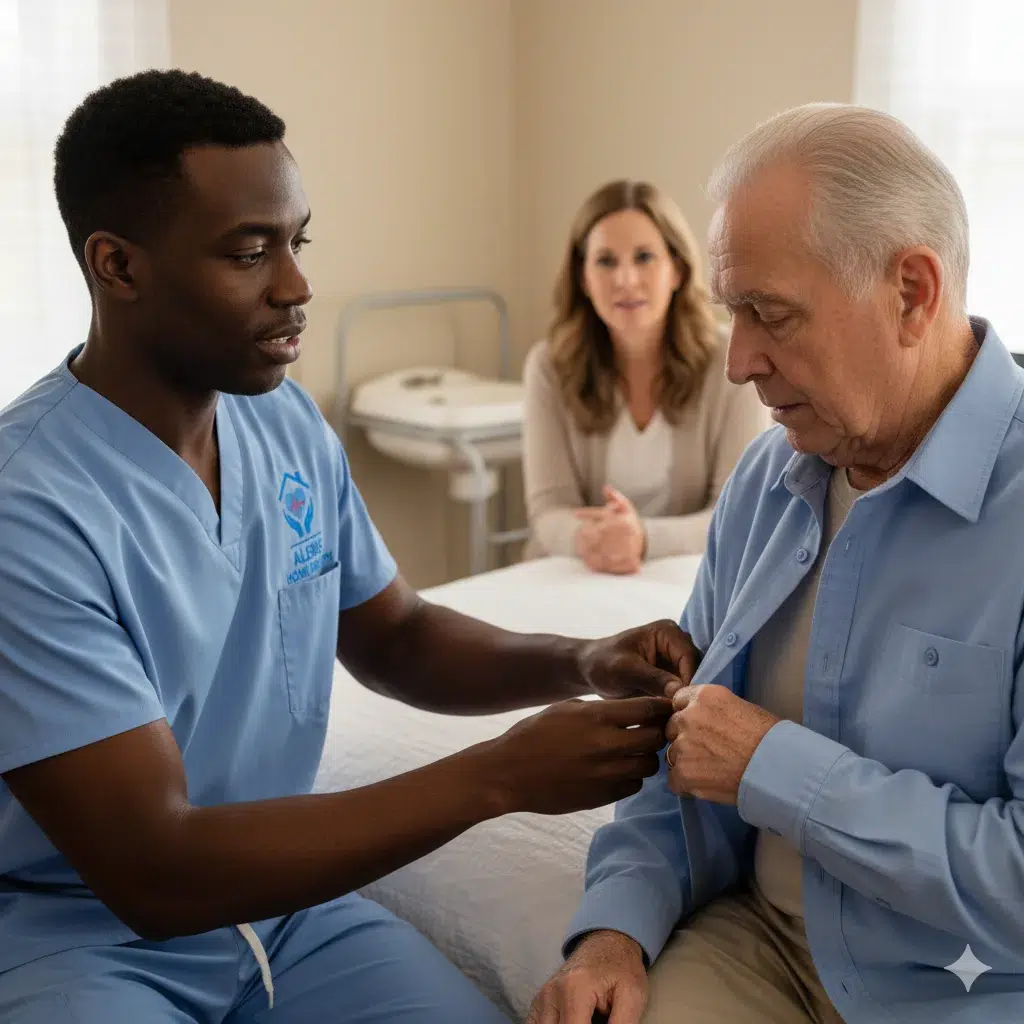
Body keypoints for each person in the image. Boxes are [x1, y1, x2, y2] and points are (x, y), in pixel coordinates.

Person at [0, 70, 696, 1023]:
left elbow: (398, 637)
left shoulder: (283, 423)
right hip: (80, 942)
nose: (297, 286)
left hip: (283, 919)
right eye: (250, 252)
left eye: (297, 240)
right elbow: (152, 871)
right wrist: (497, 775)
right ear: (118, 266)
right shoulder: (27, 508)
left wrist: (580, 660)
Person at [529, 104, 1024, 1024]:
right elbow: (684, 754)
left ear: (912, 292)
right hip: (761, 948)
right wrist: (615, 932)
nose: (738, 363)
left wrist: (775, 766)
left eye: (772, 315)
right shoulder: (768, 479)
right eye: (731, 312)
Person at [522, 179, 767, 575]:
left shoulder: (732, 363)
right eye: (605, 261)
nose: (625, 279)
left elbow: (738, 513)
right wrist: (589, 539)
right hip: (575, 572)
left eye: (644, 257)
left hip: (688, 576)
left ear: (677, 271)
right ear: (583, 279)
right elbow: (548, 510)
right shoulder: (548, 366)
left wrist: (643, 538)